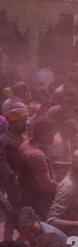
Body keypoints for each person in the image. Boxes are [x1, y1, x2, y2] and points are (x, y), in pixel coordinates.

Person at [18, 117, 58, 219]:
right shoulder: (37, 156)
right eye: (53, 134)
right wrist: (66, 189)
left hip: (26, 196)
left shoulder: (25, 144)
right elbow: (47, 185)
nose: (54, 137)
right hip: (39, 202)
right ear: (45, 133)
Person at [0, 102, 28, 240]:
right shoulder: (4, 140)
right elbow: (2, 162)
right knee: (12, 212)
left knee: (26, 210)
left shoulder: (25, 136)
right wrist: (12, 176)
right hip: (13, 183)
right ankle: (8, 239)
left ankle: (25, 237)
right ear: (12, 123)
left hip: (26, 181)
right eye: (21, 122)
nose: (24, 124)